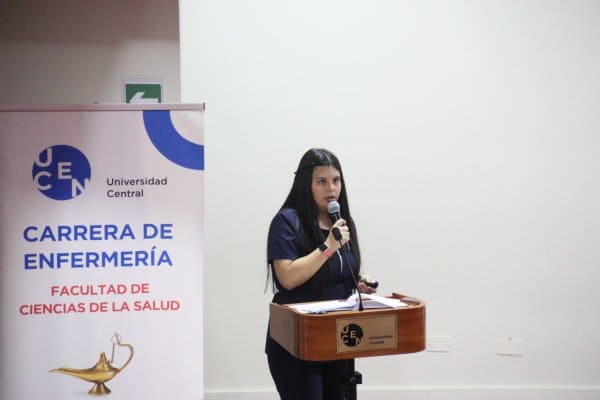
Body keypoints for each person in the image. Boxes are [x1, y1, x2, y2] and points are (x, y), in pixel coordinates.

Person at [265, 148, 376, 400]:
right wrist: (328, 246)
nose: (331, 188)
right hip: (298, 341)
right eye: (321, 181)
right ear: (306, 184)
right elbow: (288, 277)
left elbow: (336, 271)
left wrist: (359, 281)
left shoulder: (342, 223)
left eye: (336, 180)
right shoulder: (287, 221)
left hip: (337, 338)